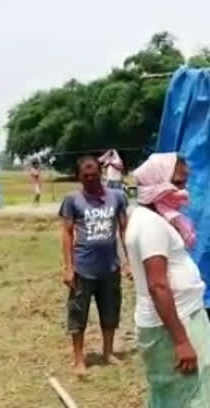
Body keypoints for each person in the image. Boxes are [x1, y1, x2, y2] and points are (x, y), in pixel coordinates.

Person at [125, 153, 210, 408]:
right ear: (154, 183)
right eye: (175, 182)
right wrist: (181, 339)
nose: (183, 190)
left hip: (164, 320)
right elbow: (158, 284)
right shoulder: (151, 226)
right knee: (195, 390)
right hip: (175, 322)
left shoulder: (148, 218)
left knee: (164, 389)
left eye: (184, 182)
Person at [59, 155, 129, 376]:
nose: (90, 179)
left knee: (110, 311)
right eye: (85, 176)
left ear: (101, 172)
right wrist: (68, 267)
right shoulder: (72, 200)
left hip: (110, 267)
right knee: (78, 315)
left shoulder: (117, 197)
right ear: (79, 176)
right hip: (83, 269)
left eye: (94, 174)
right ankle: (79, 359)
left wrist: (128, 262)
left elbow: (124, 229)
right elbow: (67, 233)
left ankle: (108, 353)